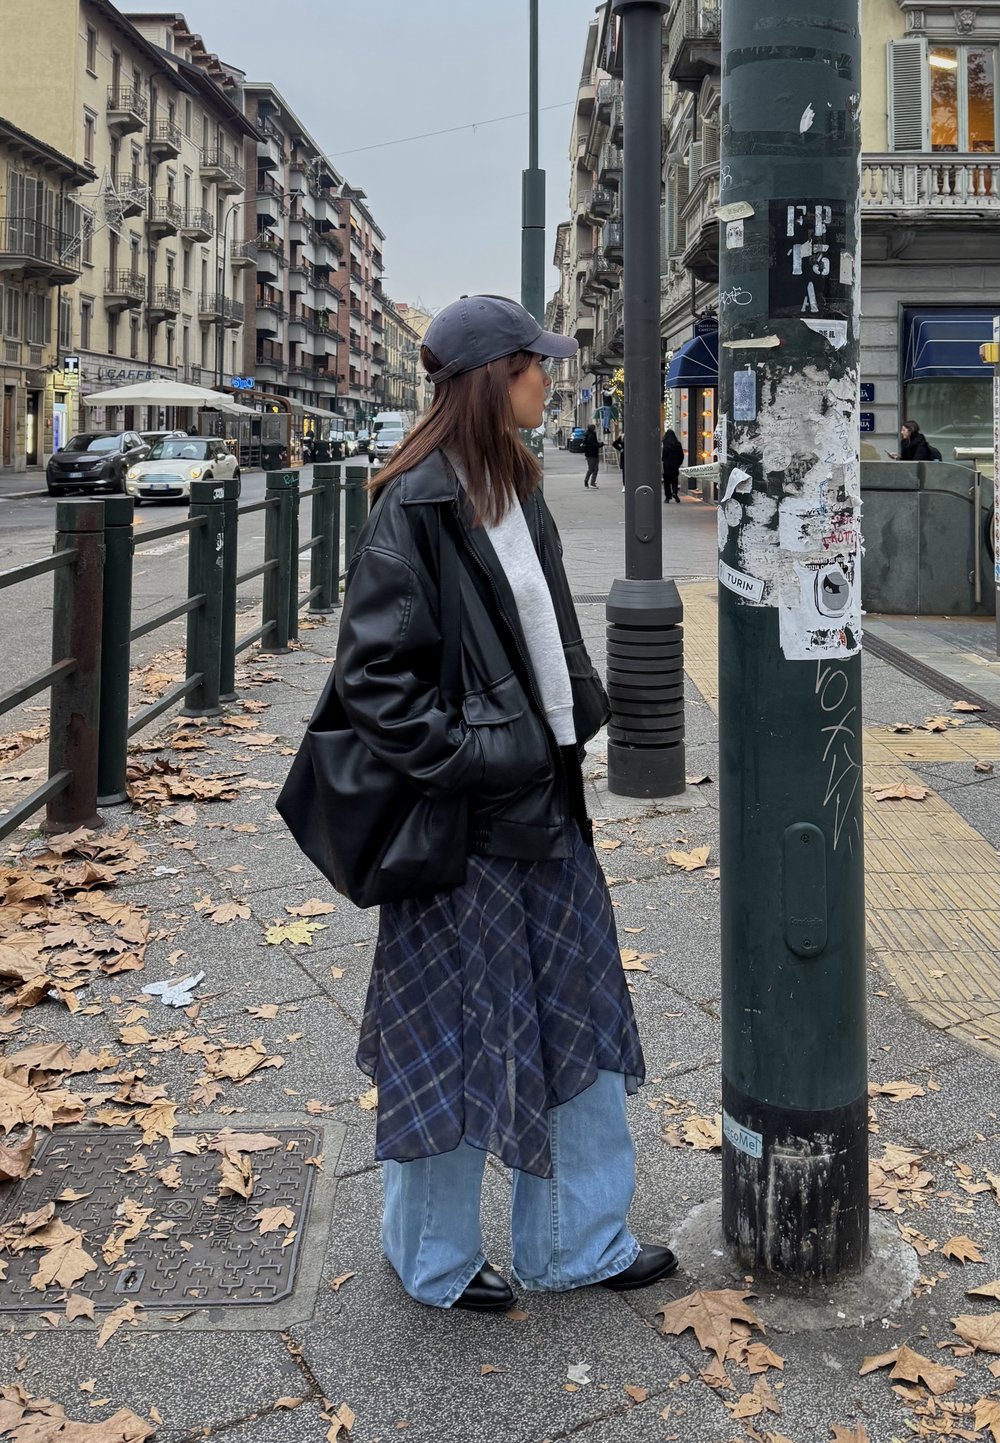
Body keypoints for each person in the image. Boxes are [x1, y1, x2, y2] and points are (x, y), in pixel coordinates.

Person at [332, 294, 677, 1313]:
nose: (549, 378)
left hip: (546, 806)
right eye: (536, 365)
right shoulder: (417, 503)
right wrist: (488, 754)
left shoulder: (516, 488)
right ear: (496, 377)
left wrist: (577, 710)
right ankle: (430, 1257)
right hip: (467, 822)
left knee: (575, 1019)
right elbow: (374, 683)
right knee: (446, 1035)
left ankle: (576, 1242)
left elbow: (539, 640)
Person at [662, 428, 684, 503]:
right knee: (674, 480)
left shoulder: (665, 444)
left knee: (667, 482)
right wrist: (679, 463)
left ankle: (667, 497)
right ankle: (675, 492)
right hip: (675, 465)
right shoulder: (678, 444)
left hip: (667, 465)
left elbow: (663, 455)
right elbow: (681, 455)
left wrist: (663, 460)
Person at [582, 423, 600, 488]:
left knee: (595, 469)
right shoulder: (591, 436)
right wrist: (600, 444)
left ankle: (592, 482)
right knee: (592, 469)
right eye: (594, 428)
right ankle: (587, 481)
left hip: (592, 454)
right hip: (591, 455)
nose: (595, 429)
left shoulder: (589, 434)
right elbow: (593, 445)